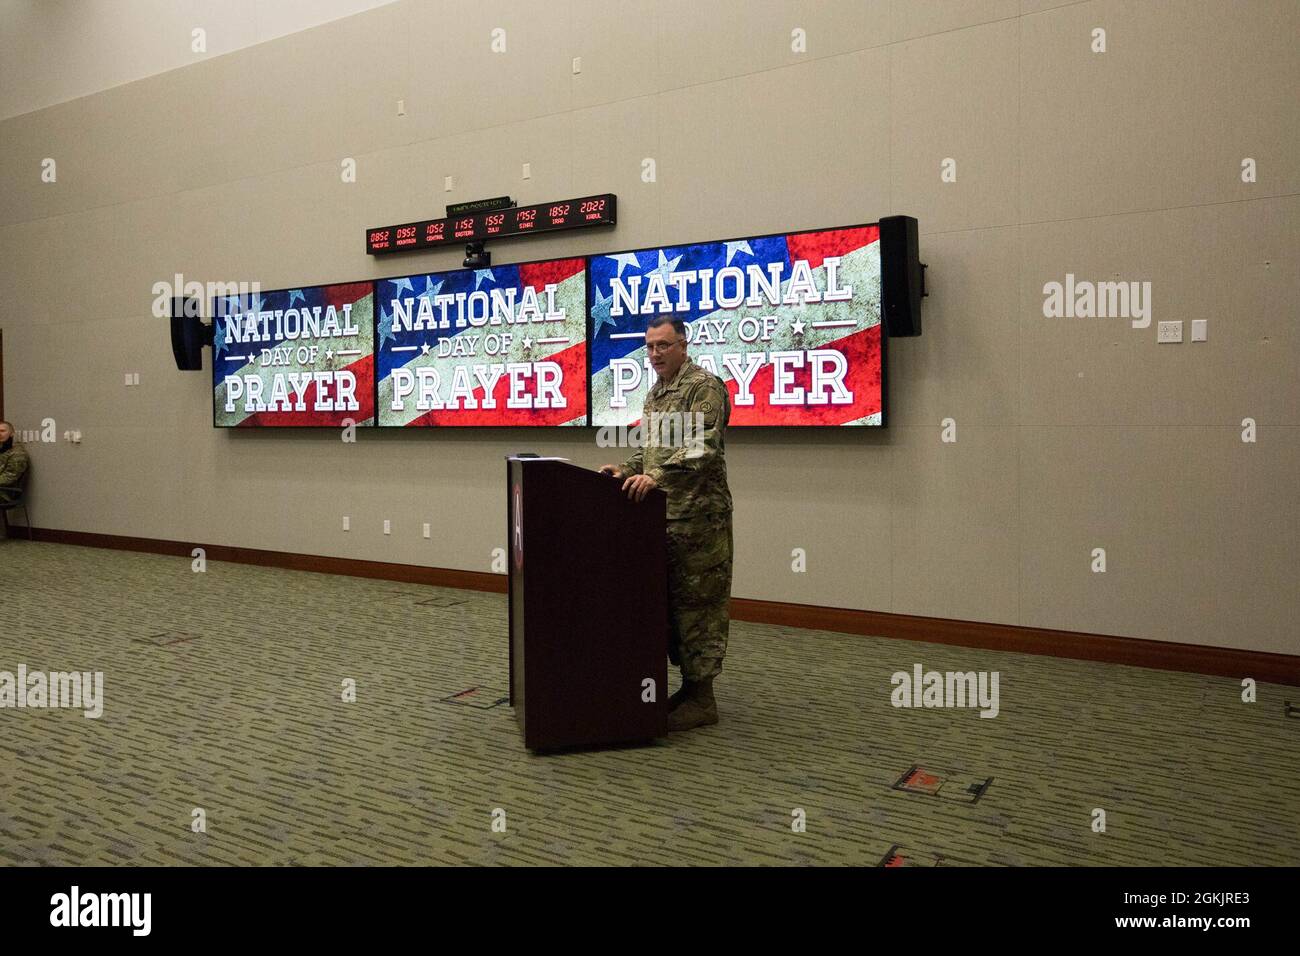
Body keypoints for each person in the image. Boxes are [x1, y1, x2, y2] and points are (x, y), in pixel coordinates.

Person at [600, 317, 734, 732]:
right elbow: (653, 452)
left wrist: (655, 478)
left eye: (663, 346)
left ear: (683, 345)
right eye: (650, 347)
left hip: (700, 520)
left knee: (700, 608)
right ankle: (688, 690)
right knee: (670, 608)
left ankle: (703, 698)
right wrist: (625, 469)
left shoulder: (703, 387)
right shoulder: (656, 394)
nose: (655, 354)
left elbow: (703, 448)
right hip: (662, 519)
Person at [0, 420, 30, 511]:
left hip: (6, 493)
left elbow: (9, 477)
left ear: (12, 433)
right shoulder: (2, 450)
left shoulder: (18, 453)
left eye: (2, 431)